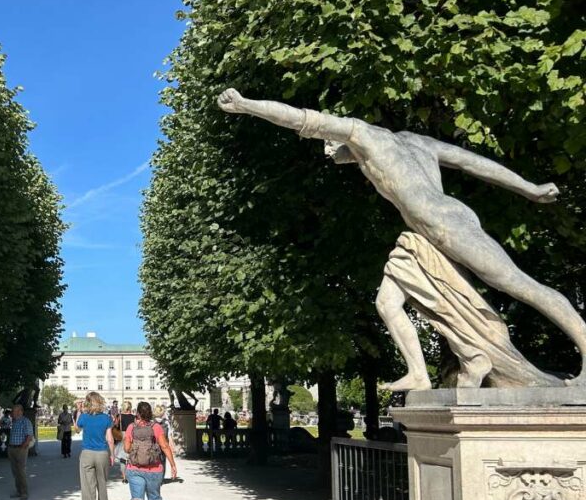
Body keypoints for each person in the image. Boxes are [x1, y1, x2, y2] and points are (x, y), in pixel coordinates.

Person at [217, 88, 584, 388]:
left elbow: (297, 118)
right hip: (428, 230)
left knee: (519, 284)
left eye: (330, 148)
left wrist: (247, 106)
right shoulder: (418, 142)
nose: (332, 156)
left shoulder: (359, 133)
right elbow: (472, 162)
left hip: (442, 224)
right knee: (387, 302)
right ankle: (422, 373)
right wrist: (528, 188)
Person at [123, 402, 178, 500]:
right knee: (154, 497)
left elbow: (126, 448)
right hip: (154, 468)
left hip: (134, 469)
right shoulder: (156, 427)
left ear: (138, 413)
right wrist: (172, 465)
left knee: (136, 498)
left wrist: (137, 448)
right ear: (150, 413)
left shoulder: (131, 427)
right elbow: (164, 446)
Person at [75, 392, 115, 500]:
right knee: (102, 487)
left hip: (87, 454)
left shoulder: (84, 417)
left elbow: (77, 428)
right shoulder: (106, 418)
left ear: (88, 403)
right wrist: (112, 455)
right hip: (102, 453)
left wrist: (79, 410)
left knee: (88, 490)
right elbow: (110, 439)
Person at [7, 404, 34, 500]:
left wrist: (23, 447)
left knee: (21, 471)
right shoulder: (15, 421)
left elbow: (29, 436)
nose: (12, 413)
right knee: (15, 471)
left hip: (20, 449)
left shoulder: (25, 421)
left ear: (20, 412)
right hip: (12, 448)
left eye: (13, 411)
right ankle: (18, 491)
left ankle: (24, 492)